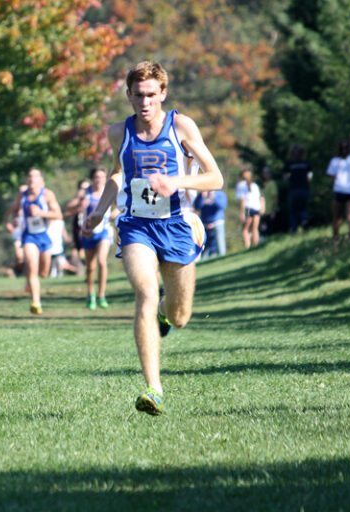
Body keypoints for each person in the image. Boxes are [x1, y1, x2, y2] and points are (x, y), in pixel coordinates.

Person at [83, 61, 223, 415]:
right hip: (136, 225)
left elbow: (215, 178)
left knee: (179, 316)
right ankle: (153, 388)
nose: (144, 102)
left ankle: (165, 315)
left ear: (162, 94)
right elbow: (118, 174)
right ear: (128, 95)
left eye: (151, 95)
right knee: (146, 293)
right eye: (137, 95)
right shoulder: (119, 132)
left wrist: (175, 182)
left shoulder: (181, 126)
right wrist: (100, 210)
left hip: (177, 223)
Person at [12, 167, 62, 314]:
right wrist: (15, 218)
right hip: (29, 236)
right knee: (31, 266)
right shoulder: (22, 195)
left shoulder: (47, 194)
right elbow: (15, 210)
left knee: (44, 273)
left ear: (41, 180)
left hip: (44, 237)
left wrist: (41, 213)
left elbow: (58, 214)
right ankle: (36, 302)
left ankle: (32, 283)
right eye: (30, 177)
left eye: (35, 176)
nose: (32, 179)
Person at [66, 167, 114, 309]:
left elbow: (119, 207)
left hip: (104, 231)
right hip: (87, 232)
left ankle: (102, 295)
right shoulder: (85, 193)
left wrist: (115, 213)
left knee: (101, 261)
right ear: (92, 179)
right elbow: (68, 210)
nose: (99, 180)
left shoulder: (109, 191)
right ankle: (90, 294)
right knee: (90, 267)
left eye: (102, 177)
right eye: (96, 177)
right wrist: (80, 205)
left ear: (105, 179)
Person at [327, 139, 350, 241]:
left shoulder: (335, 161)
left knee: (337, 217)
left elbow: (332, 177)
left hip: (339, 190)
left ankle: (335, 238)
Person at [283, 144, 312, 233]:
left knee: (293, 211)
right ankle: (304, 220)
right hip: (304, 189)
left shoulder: (289, 164)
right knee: (303, 208)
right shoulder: (306, 164)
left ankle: (294, 230)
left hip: (294, 190)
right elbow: (310, 177)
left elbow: (285, 178)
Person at [193, 190, 228, 258]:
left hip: (217, 224)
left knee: (220, 248)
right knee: (204, 251)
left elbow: (222, 206)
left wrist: (214, 197)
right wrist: (202, 197)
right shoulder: (202, 194)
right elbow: (197, 206)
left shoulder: (220, 194)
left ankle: (223, 261)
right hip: (205, 224)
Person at [235, 169, 264, 248]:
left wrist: (242, 213)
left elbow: (243, 200)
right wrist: (262, 208)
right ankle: (256, 246)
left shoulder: (241, 185)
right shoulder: (255, 185)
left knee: (245, 230)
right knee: (255, 229)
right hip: (257, 207)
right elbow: (260, 197)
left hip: (248, 208)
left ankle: (247, 246)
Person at [4, 184, 27, 276]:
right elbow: (6, 216)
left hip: (29, 233)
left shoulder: (30, 203)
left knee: (29, 255)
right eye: (20, 192)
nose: (22, 194)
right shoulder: (14, 205)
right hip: (17, 234)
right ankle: (19, 270)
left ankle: (27, 272)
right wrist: (8, 224)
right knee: (19, 255)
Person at [259, 166, 278, 237]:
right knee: (264, 232)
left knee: (270, 233)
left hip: (270, 212)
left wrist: (274, 211)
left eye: (266, 173)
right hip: (264, 212)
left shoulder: (272, 184)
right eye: (264, 173)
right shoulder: (265, 184)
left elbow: (276, 198)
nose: (265, 175)